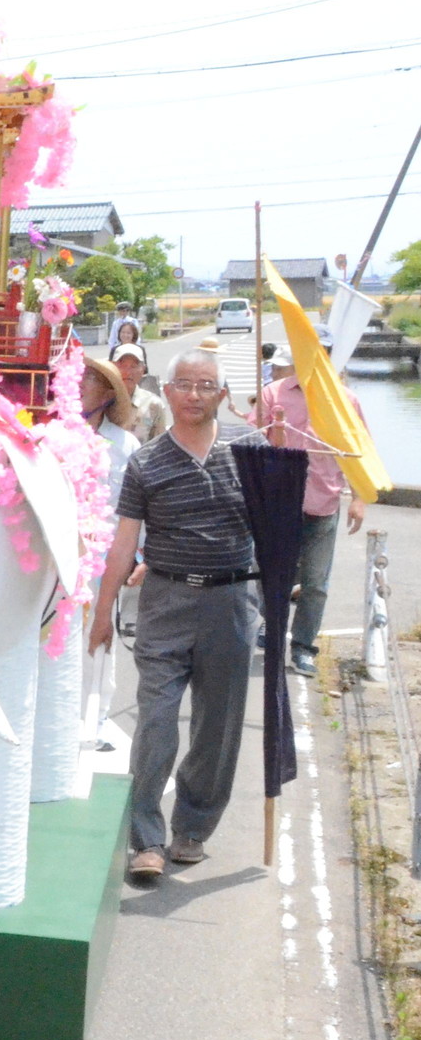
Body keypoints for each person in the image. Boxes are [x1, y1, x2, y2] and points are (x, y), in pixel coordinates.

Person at [88, 349, 260, 881]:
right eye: (183, 384)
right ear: (167, 392)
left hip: (231, 603)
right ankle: (146, 837)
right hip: (165, 602)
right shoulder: (146, 462)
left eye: (206, 385)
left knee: (217, 727)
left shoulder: (249, 451)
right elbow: (124, 545)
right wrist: (102, 612)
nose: (193, 394)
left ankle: (192, 828)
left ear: (223, 395)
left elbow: (279, 526)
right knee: (157, 721)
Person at [250, 345, 368, 676]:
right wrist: (270, 426)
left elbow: (358, 450)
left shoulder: (346, 400)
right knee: (271, 573)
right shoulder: (273, 392)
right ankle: (271, 625)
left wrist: (358, 498)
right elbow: (252, 441)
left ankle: (303, 646)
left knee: (315, 582)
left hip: (323, 503)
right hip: (277, 503)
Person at [80, 360, 141, 748]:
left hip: (102, 557)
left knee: (99, 634)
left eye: (91, 382)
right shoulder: (52, 434)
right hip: (56, 557)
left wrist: (137, 557)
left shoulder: (125, 444)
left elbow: (133, 511)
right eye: (80, 378)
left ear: (106, 396)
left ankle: (95, 717)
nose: (81, 386)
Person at [112, 344, 169, 442]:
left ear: (143, 369)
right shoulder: (101, 401)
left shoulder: (154, 405)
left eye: (133, 366)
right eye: (122, 365)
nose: (128, 372)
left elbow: (159, 447)